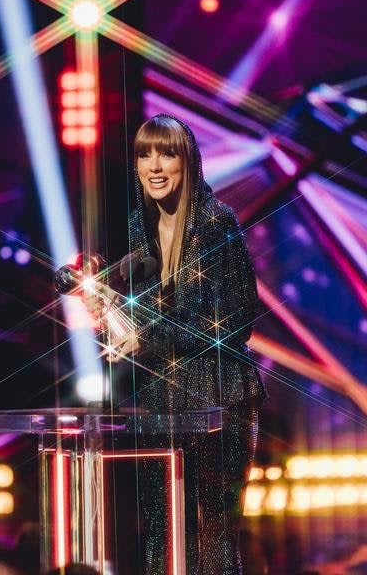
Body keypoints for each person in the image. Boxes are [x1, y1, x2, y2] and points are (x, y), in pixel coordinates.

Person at [87, 114, 265, 574]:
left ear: (189, 161)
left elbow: (234, 321)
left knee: (211, 539)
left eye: (166, 153)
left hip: (218, 399)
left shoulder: (215, 223)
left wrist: (143, 330)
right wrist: (113, 322)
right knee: (162, 536)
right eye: (144, 154)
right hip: (161, 403)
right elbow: (146, 319)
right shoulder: (138, 227)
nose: (155, 165)